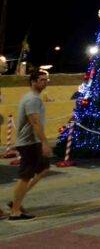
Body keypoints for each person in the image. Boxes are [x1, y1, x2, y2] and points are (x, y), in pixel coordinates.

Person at [9, 70, 51, 221]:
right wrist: (45, 143)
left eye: (46, 80)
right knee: (25, 176)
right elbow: (35, 122)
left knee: (44, 168)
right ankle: (15, 211)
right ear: (33, 82)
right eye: (41, 80)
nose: (45, 82)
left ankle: (16, 201)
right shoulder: (32, 99)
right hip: (29, 143)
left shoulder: (33, 97)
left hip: (33, 142)